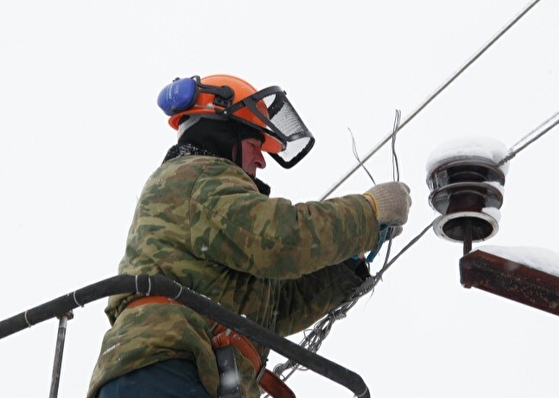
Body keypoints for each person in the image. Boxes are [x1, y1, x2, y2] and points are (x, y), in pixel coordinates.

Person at [88, 74, 412, 398]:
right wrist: (368, 212)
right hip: (168, 370)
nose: (261, 160)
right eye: (255, 145)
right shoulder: (197, 175)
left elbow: (276, 309)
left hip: (186, 374)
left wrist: (346, 261)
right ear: (223, 134)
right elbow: (281, 239)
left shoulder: (211, 208)